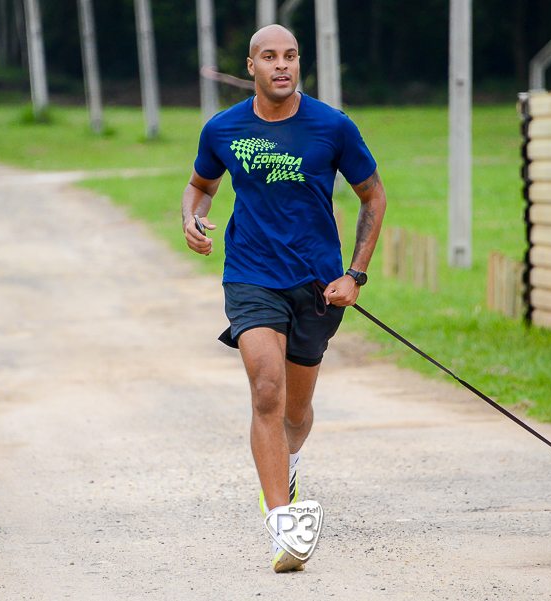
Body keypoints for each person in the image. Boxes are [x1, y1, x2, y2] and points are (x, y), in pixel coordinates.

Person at [180, 24, 386, 573]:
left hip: (316, 285)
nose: (281, 65)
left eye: (290, 56)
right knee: (266, 388)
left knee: (296, 411)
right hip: (250, 276)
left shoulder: (332, 126)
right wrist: (191, 217)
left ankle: (288, 461)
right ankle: (283, 523)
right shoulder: (223, 128)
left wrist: (356, 274)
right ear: (251, 66)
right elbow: (200, 185)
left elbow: (373, 195)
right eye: (269, 57)